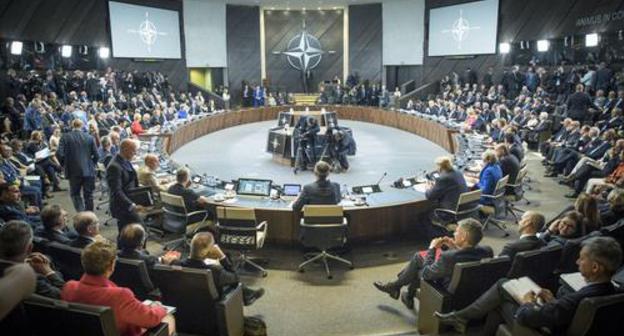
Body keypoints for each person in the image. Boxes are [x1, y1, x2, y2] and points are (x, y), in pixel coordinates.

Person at [435, 236, 622, 335]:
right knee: (503, 288)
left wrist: (527, 302)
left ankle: (459, 317)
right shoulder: (611, 291)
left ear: (596, 267)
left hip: (542, 328)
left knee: (502, 290)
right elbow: (567, 313)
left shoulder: (581, 297)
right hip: (557, 320)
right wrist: (553, 301)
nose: (577, 262)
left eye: (582, 259)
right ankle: (461, 318)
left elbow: (527, 317)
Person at [61, 241, 176, 336]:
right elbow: (151, 319)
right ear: (111, 266)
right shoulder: (120, 296)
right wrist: (159, 307)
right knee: (168, 318)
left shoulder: (69, 287)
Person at [373, 219, 492, 310]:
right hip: (471, 292)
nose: (454, 233)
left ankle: (396, 287)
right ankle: (400, 290)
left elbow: (426, 274)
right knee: (418, 261)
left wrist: (432, 248)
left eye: (456, 231)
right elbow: (464, 256)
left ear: (464, 236)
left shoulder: (448, 258)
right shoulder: (487, 251)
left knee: (418, 266)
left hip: (447, 293)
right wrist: (455, 247)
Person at [179, 232, 265, 306]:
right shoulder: (215, 271)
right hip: (211, 304)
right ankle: (246, 296)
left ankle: (248, 295)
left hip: (188, 301)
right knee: (233, 282)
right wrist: (222, 257)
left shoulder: (177, 264)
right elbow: (235, 278)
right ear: (210, 250)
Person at [0, 220, 65, 299]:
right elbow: (65, 295)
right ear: (30, 247)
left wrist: (26, 261)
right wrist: (49, 272)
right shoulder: (34, 280)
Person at [57, 119, 99, 212]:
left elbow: (59, 153)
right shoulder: (89, 137)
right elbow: (96, 155)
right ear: (82, 125)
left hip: (73, 171)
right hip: (88, 170)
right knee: (89, 195)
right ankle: (89, 216)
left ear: (72, 126)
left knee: (75, 194)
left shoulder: (65, 137)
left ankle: (81, 215)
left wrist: (65, 164)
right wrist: (92, 164)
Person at [107, 139, 144, 234]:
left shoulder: (125, 160)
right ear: (125, 149)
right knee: (129, 232)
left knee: (130, 232)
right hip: (122, 206)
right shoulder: (114, 166)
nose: (135, 153)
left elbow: (132, 180)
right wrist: (131, 205)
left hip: (128, 202)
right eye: (134, 150)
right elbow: (116, 191)